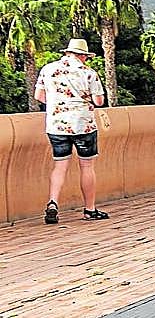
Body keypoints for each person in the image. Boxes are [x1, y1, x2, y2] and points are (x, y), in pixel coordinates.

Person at [35, 38, 108, 224]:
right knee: (87, 166)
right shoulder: (89, 73)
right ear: (82, 55)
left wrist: (59, 104)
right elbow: (99, 101)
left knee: (60, 165)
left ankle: (53, 202)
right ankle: (90, 209)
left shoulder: (47, 69)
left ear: (67, 53)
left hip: (56, 124)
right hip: (83, 124)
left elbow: (39, 96)